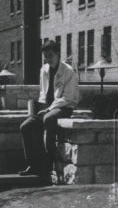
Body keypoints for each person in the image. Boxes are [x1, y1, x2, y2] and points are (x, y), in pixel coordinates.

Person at [19, 39, 79, 184]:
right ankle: (33, 164)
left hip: (64, 107)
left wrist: (49, 109)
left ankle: (50, 162)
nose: (48, 59)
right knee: (26, 126)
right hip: (47, 108)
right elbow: (43, 93)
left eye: (50, 55)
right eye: (45, 56)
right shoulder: (44, 70)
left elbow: (68, 98)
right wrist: (40, 108)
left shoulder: (68, 71)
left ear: (58, 54)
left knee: (48, 119)